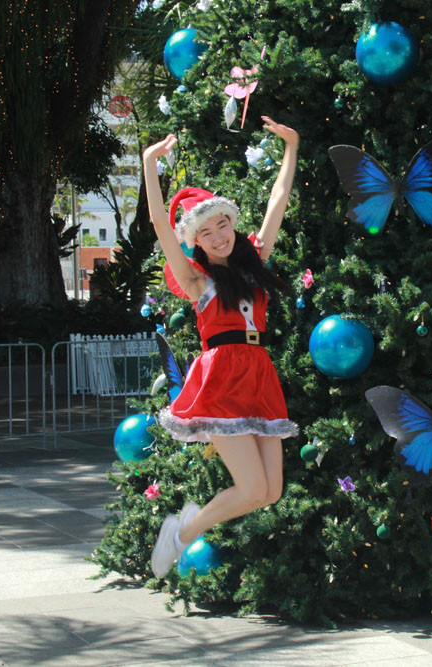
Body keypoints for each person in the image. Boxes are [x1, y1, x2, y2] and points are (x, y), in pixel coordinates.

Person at [143, 117, 301, 576]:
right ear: (195, 241)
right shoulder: (198, 279)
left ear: (231, 223)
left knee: (270, 492)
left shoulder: (253, 262)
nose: (218, 235)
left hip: (258, 372)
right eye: (206, 232)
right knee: (251, 489)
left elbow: (278, 200)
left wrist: (291, 146)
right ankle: (184, 529)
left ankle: (191, 522)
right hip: (222, 376)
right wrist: (149, 164)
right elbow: (159, 222)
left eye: (222, 225)